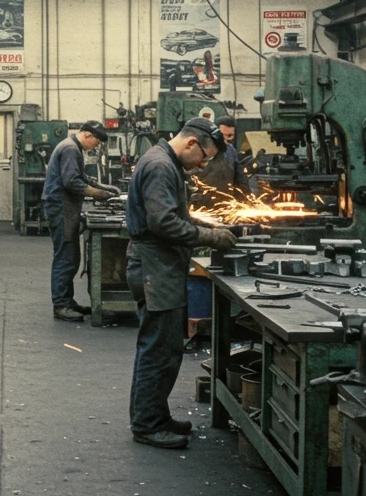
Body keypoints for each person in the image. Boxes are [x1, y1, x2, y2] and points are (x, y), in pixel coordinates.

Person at [125, 117, 237, 449]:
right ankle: (147, 424)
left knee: (166, 346)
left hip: (161, 264)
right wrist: (210, 236)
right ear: (191, 144)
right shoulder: (161, 166)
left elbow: (173, 214)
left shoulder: (165, 161)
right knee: (158, 348)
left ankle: (155, 416)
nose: (203, 165)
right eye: (204, 157)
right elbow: (162, 222)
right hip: (154, 265)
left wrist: (201, 223)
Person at [42, 120, 120, 321]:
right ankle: (61, 305)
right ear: (87, 135)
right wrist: (99, 195)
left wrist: (101, 186)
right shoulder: (70, 149)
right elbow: (72, 182)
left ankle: (67, 301)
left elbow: (80, 176)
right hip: (61, 208)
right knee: (65, 258)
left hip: (63, 207)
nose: (96, 147)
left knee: (70, 257)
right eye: (96, 142)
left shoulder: (70, 146)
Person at [195, 114, 248, 196]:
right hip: (202, 200)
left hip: (225, 200)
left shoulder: (231, 150)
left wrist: (248, 196)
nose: (225, 139)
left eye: (230, 135)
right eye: (222, 135)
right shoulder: (201, 149)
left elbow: (240, 177)